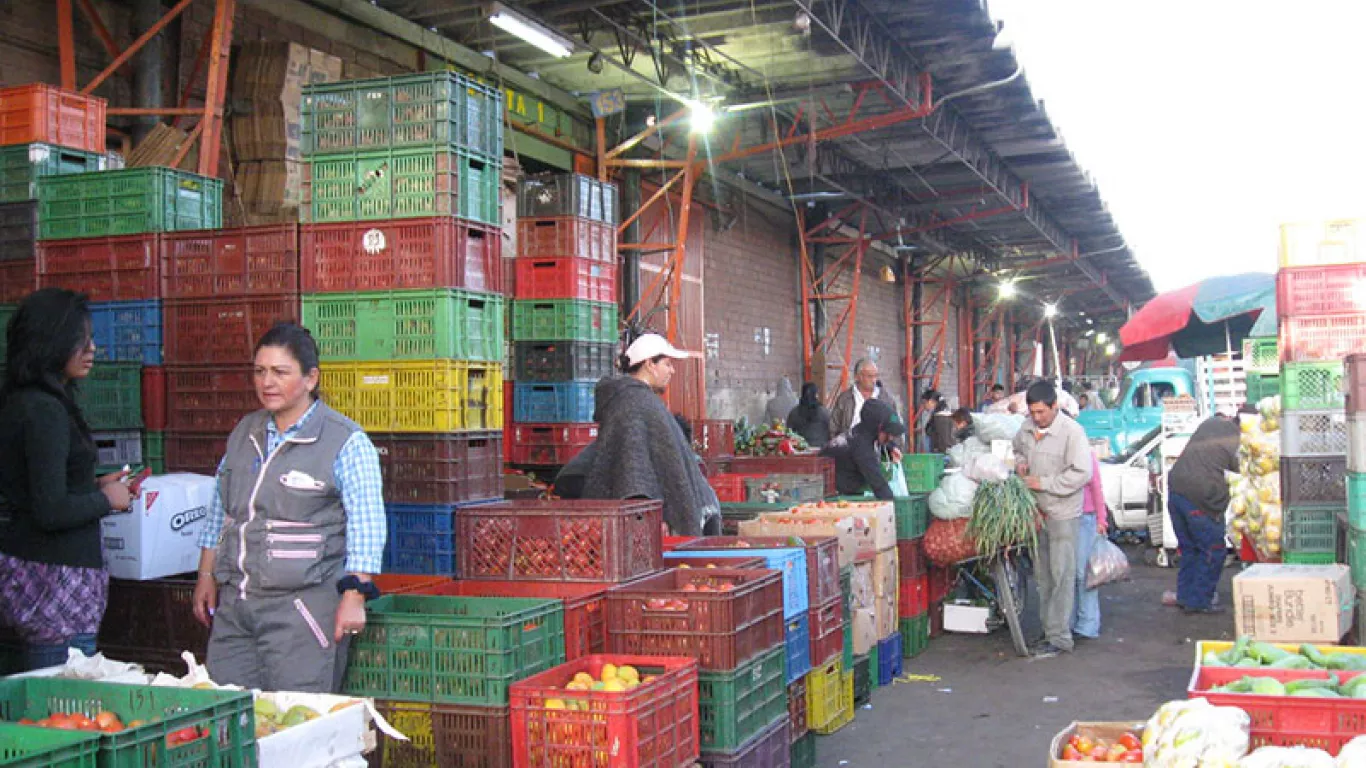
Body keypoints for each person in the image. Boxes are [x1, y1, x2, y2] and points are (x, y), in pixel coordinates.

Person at [191, 323, 386, 693]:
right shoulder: (244, 432)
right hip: (237, 607)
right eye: (260, 371)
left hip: (303, 609)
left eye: (281, 372)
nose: (267, 382)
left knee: (298, 721)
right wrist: (206, 575)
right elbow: (220, 508)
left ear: (311, 378)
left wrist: (354, 596)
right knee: (230, 716)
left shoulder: (344, 440)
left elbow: (367, 523)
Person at [0, 289, 135, 671]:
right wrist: (107, 499)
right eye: (81, 340)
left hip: (45, 578)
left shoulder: (29, 401)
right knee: (60, 698)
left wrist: (94, 487)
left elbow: (37, 489)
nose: (92, 348)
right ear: (51, 342)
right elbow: (50, 509)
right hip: (54, 587)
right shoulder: (43, 410)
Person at [582, 333, 719, 536]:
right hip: (646, 526)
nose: (672, 371)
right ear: (649, 365)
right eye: (667, 364)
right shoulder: (636, 403)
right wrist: (653, 515)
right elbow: (634, 470)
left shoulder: (632, 399)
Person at [1012, 380, 1093, 657]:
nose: (1036, 418)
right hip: (1036, 513)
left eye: (1041, 413)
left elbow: (1082, 473)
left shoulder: (1072, 433)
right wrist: (1020, 462)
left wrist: (1043, 483)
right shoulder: (1025, 428)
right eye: (1032, 412)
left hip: (1063, 513)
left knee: (1062, 575)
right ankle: (1049, 630)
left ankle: (1059, 637)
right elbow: (1017, 450)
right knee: (1043, 575)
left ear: (1054, 407)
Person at [1164, 413, 1240, 613]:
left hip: (1176, 490)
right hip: (1200, 497)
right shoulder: (1236, 438)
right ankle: (1199, 602)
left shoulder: (1210, 423)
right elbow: (1243, 467)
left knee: (1190, 549)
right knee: (1213, 551)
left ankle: (1186, 596)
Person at [821, 399, 906, 500]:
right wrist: (892, 507)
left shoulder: (860, 432)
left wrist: (891, 448)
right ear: (876, 428)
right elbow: (877, 483)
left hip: (847, 490)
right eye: (888, 433)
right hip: (833, 496)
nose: (891, 438)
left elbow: (877, 440)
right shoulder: (861, 447)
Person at [1073, 449, 1108, 639]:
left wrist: (1101, 520)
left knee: (1083, 574)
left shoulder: (1085, 453)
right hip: (1065, 518)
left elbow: (1096, 486)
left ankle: (1088, 625)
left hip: (1086, 518)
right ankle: (1071, 624)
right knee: (1069, 576)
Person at [829, 358, 902, 442]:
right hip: (850, 449)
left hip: (879, 450)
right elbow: (833, 427)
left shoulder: (887, 399)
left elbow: (895, 423)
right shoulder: (844, 399)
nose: (874, 380)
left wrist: (892, 446)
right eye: (870, 376)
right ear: (857, 377)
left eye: (876, 376)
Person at [787, 382, 832, 448]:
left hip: (801, 448)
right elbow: (832, 429)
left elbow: (789, 432)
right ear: (815, 395)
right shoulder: (823, 411)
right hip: (821, 449)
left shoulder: (794, 412)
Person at [921, 390, 955, 454]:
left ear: (931, 401)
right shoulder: (941, 415)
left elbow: (945, 441)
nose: (924, 406)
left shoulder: (941, 417)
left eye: (924, 403)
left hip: (940, 456)